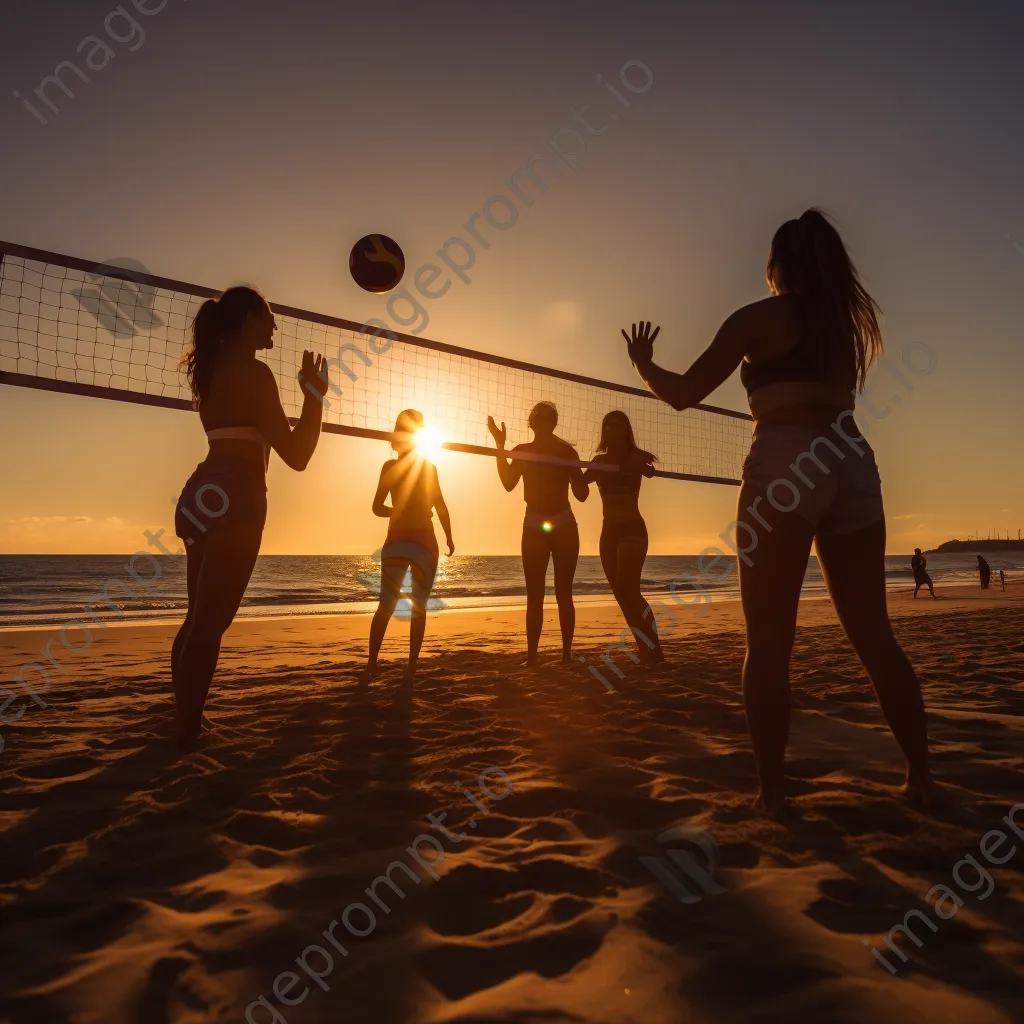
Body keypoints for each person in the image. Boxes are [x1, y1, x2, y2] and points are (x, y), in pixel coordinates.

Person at [622, 208, 938, 814]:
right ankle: (921, 776)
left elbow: (685, 393)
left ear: (779, 264)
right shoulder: (842, 327)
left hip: (786, 460)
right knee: (875, 638)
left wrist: (642, 363)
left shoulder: (758, 318)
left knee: (767, 646)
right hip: (851, 461)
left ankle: (772, 796)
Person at [172, 286, 328, 743]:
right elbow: (297, 455)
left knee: (196, 619)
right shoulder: (256, 374)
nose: (275, 325)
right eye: (269, 316)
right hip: (237, 495)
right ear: (247, 321)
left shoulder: (213, 369)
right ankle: (187, 731)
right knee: (209, 625)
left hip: (202, 491)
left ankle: (186, 719)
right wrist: (314, 397)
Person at [487, 402, 588, 665]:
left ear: (551, 423)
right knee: (536, 594)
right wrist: (500, 447)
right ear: (533, 422)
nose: (541, 421)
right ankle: (533, 656)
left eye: (545, 418)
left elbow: (582, 494)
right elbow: (509, 483)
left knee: (562, 592)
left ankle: (565, 654)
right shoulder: (523, 452)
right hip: (534, 524)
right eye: (538, 417)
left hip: (563, 523)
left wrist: (578, 473)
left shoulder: (566, 451)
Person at [366, 409, 454, 682]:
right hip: (421, 541)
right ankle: (410, 667)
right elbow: (439, 506)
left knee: (388, 605)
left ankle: (373, 664)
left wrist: (397, 511)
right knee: (416, 607)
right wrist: (449, 536)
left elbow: (378, 507)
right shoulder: (424, 467)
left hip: (403, 541)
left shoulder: (394, 467)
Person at [581, 411, 663, 664]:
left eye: (618, 424)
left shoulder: (635, 458)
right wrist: (569, 469)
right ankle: (645, 649)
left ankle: (655, 648)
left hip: (631, 527)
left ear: (627, 430)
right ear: (603, 431)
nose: (613, 428)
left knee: (630, 590)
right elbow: (580, 492)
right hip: (609, 532)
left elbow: (649, 471)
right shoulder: (598, 460)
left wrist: (641, 468)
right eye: (608, 424)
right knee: (620, 592)